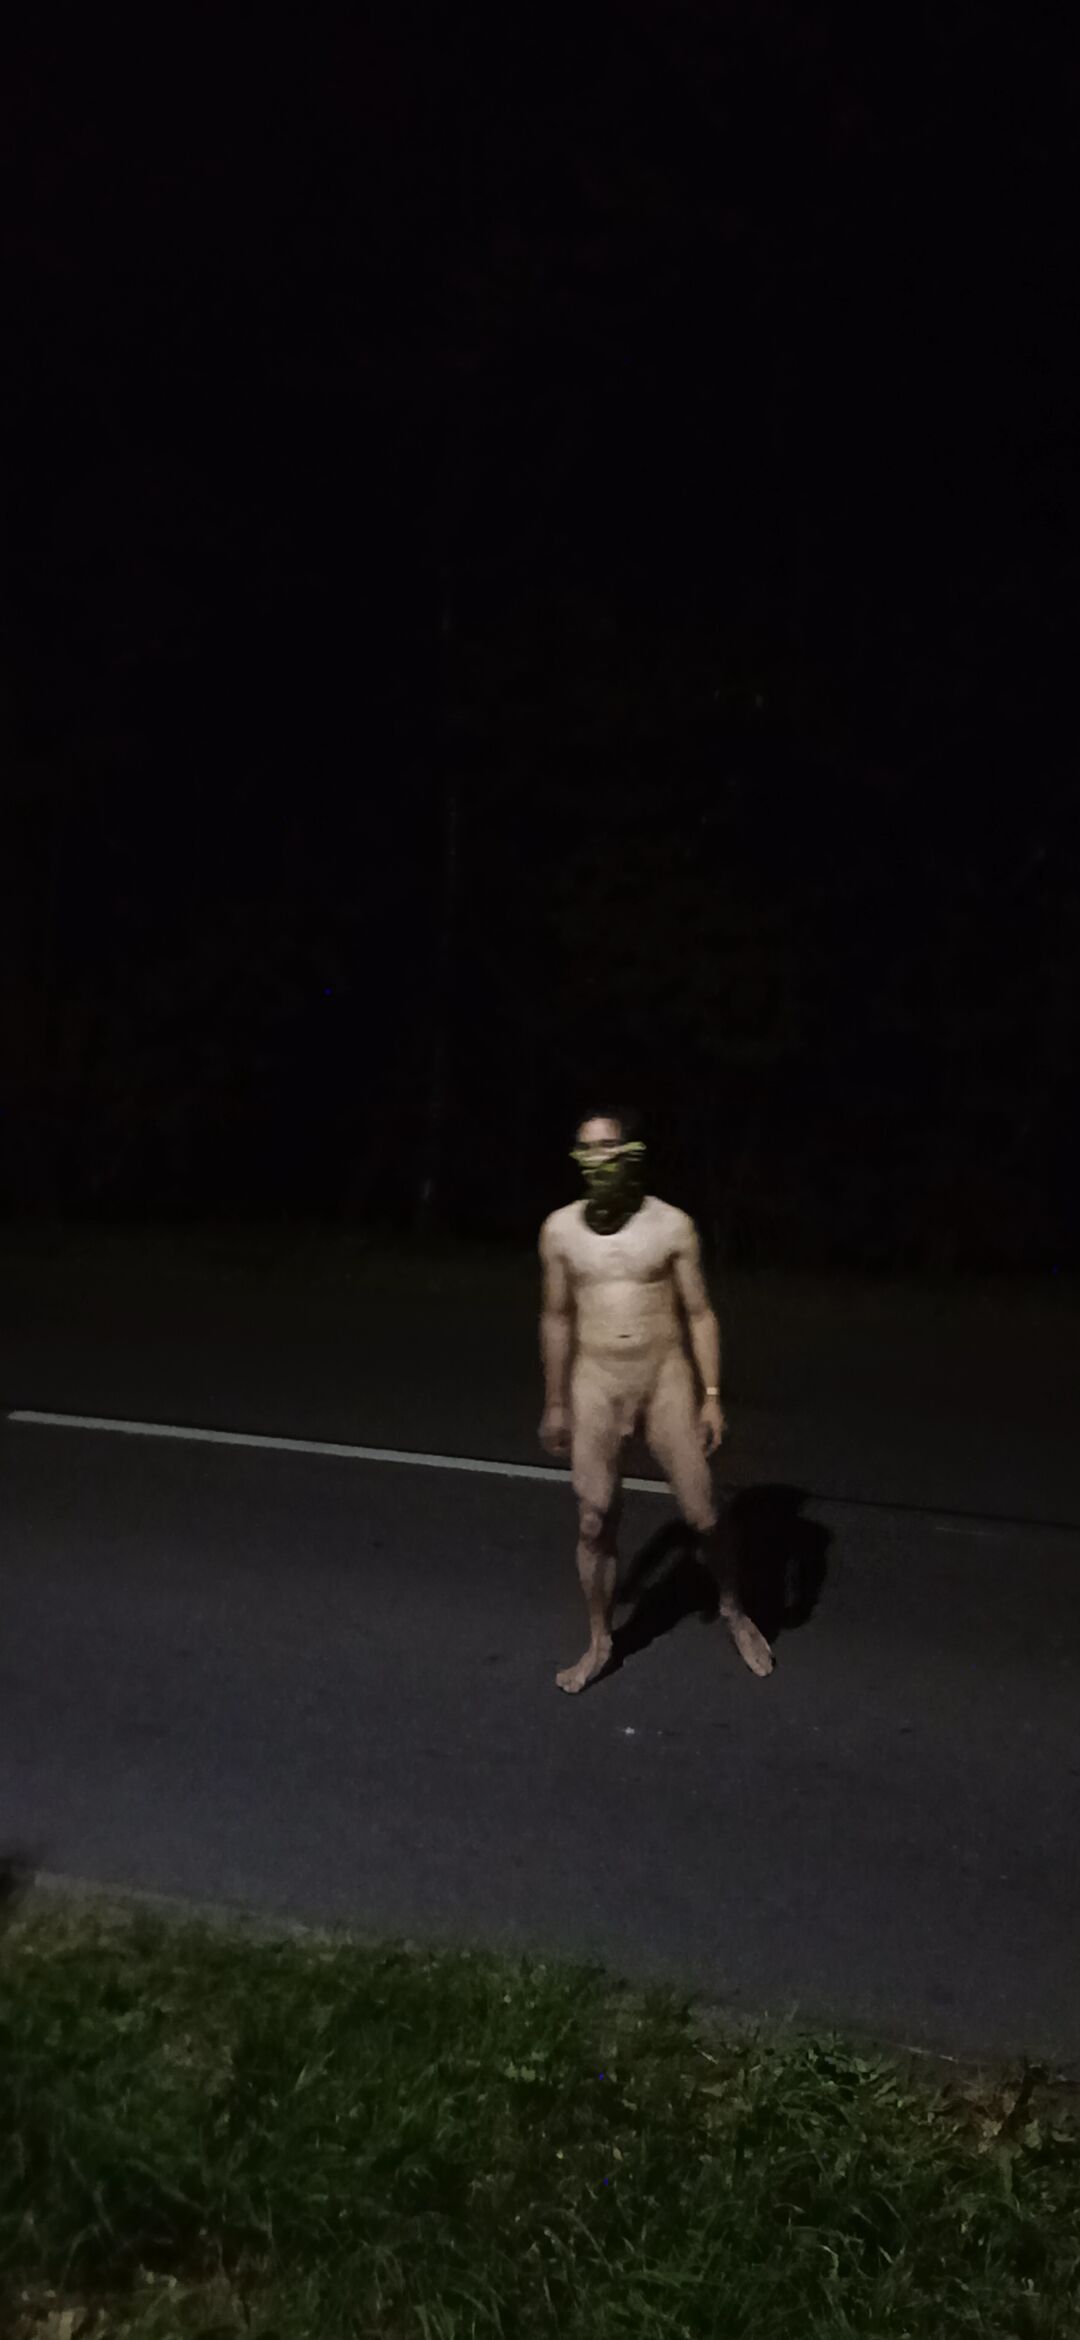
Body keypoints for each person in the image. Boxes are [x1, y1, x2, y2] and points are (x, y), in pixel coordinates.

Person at [538, 1110, 774, 1694]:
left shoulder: (671, 1226)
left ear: (630, 1152)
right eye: (587, 1148)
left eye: (609, 1146)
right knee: (593, 1518)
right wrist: (556, 1401)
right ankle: (599, 1640)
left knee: (703, 1514)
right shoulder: (560, 1231)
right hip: (596, 1380)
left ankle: (733, 1608)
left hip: (664, 1378)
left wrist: (711, 1397)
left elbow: (700, 1313)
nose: (599, 1159)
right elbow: (557, 1316)